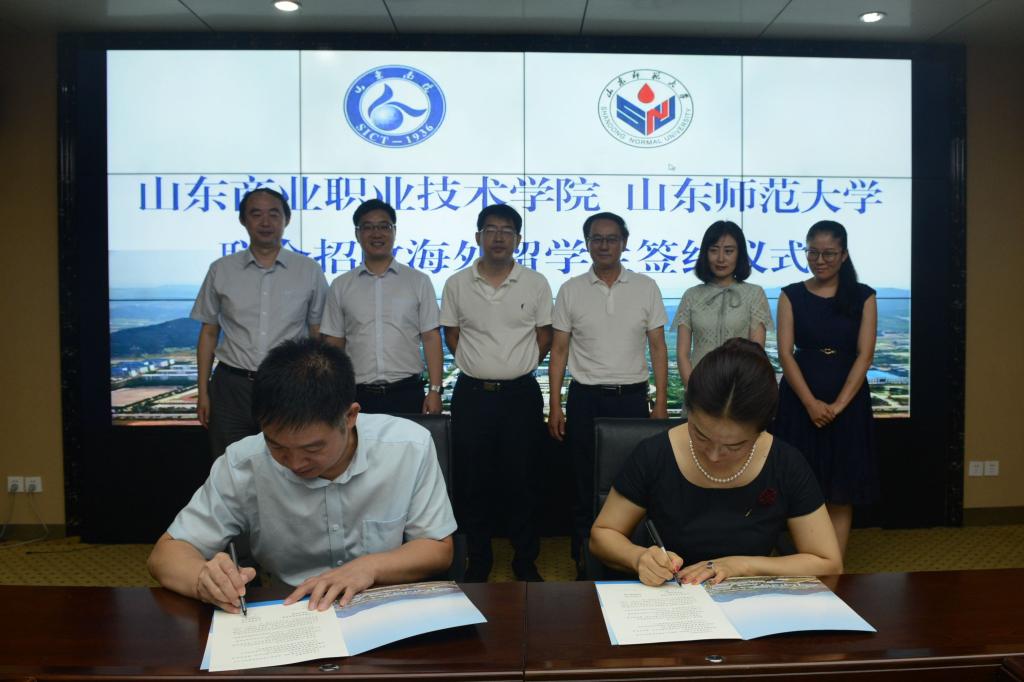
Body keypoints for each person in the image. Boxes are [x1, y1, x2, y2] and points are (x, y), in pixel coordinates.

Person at [147, 338, 456, 612]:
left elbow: (437, 548)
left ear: (350, 416)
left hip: (384, 606)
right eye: (277, 446)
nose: (295, 463)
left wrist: (369, 567)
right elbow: (166, 555)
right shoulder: (244, 462)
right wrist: (203, 579)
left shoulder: (409, 446)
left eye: (312, 448)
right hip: (292, 611)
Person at [589, 338, 842, 586]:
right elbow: (602, 536)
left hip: (749, 601)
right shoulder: (654, 454)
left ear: (762, 430)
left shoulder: (785, 463)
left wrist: (741, 566)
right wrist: (638, 558)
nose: (713, 455)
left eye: (734, 446)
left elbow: (828, 562)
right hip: (673, 599)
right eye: (700, 435)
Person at [547, 212, 668, 578]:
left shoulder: (646, 286)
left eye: (611, 238)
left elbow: (658, 348)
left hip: (632, 399)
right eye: (597, 238)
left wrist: (661, 402)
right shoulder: (571, 289)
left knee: (635, 481)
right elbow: (559, 351)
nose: (604, 245)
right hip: (586, 398)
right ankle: (585, 557)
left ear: (624, 243)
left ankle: (632, 556)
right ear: (587, 243)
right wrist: (556, 406)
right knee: (584, 482)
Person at [440, 204, 553, 582]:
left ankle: (525, 560)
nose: (499, 237)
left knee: (524, 479)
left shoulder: (535, 283)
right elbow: (452, 334)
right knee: (473, 481)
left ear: (518, 239)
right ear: (478, 236)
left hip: (520, 395)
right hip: (472, 395)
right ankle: (479, 559)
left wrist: (517, 365)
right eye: (491, 229)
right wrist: (482, 364)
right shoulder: (457, 283)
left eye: (507, 230)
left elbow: (544, 335)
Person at [192, 188, 328, 459]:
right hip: (231, 387)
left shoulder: (308, 270)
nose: (266, 222)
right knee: (230, 466)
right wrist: (203, 391)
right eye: (256, 214)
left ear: (286, 220)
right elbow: (208, 333)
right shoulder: (221, 269)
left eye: (274, 214)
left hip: (288, 385)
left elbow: (317, 334)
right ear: (243, 220)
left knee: (288, 466)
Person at [774, 220, 879, 557]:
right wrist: (811, 404)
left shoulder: (863, 296)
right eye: (813, 253)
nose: (820, 260)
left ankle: (834, 566)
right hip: (799, 402)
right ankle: (806, 563)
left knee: (841, 488)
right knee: (800, 486)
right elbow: (785, 353)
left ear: (844, 255)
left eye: (829, 254)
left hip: (848, 404)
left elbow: (865, 356)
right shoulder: (791, 294)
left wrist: (838, 406)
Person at [321, 199, 443, 415]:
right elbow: (334, 344)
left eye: (383, 226)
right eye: (368, 227)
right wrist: (334, 392)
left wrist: (435, 390)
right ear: (357, 234)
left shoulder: (418, 281)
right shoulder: (341, 285)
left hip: (407, 392)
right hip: (357, 395)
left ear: (394, 231)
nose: (376, 233)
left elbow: (431, 338)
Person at [673, 220, 773, 387]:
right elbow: (682, 355)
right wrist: (694, 391)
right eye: (713, 250)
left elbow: (756, 354)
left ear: (739, 254)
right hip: (699, 386)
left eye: (728, 251)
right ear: (705, 254)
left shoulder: (755, 294)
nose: (720, 258)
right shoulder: (691, 295)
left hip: (740, 388)